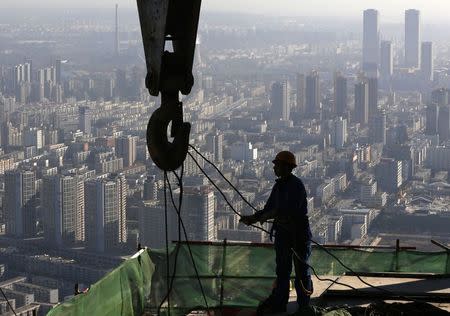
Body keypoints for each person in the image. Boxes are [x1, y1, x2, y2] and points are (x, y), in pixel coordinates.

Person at [240, 151, 313, 315]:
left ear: (286, 167)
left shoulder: (296, 185)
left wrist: (264, 216)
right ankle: (280, 304)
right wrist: (252, 218)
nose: (274, 168)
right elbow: (269, 208)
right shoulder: (279, 186)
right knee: (282, 272)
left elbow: (285, 210)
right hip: (284, 234)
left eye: (277, 165)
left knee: (302, 271)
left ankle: (304, 307)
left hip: (298, 234)